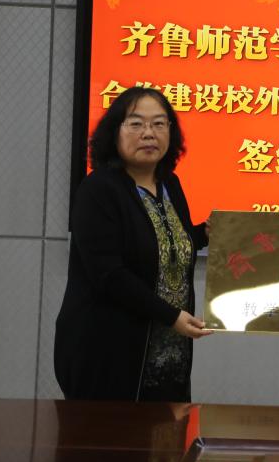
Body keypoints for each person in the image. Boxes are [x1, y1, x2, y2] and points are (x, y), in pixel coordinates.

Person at [54, 86, 212, 401]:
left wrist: (206, 234)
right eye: (136, 123)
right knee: (112, 433)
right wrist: (171, 316)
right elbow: (109, 274)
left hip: (168, 352)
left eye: (159, 123)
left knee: (167, 431)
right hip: (108, 352)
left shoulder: (169, 184)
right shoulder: (97, 190)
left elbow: (165, 245)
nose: (149, 133)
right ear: (115, 132)